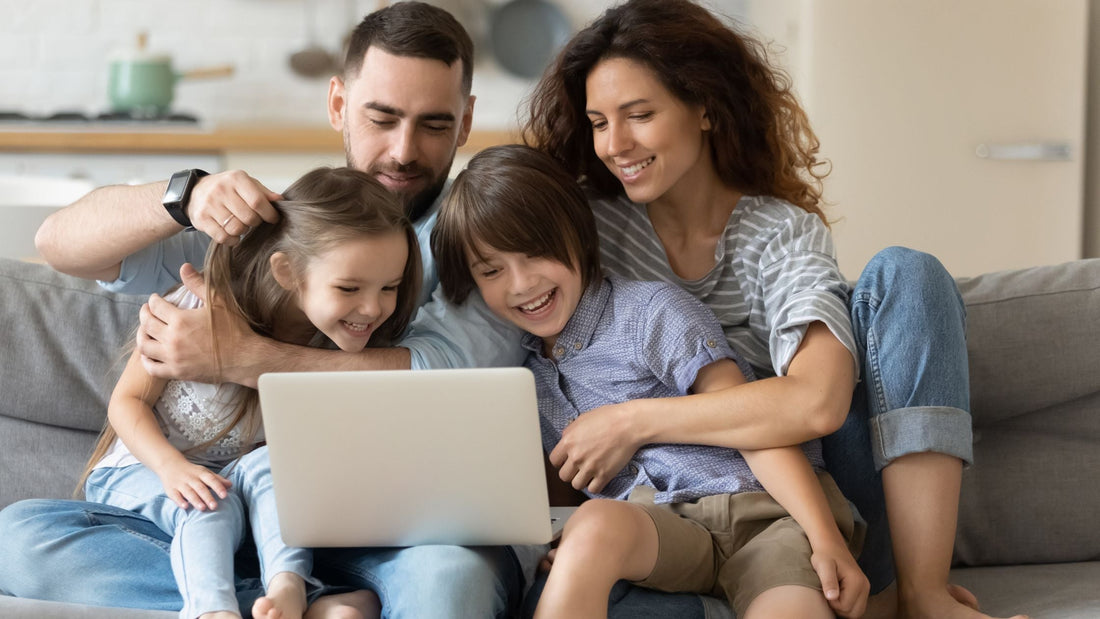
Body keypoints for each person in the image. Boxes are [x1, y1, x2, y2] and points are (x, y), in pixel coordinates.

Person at [3, 3, 528, 618]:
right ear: (337, 105)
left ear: (466, 121)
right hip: (230, 528)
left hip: (395, 539)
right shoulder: (265, 234)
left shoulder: (482, 246)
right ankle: (295, 604)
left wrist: (243, 357)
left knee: (449, 578)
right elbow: (59, 245)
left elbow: (442, 377)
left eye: (434, 124)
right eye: (381, 118)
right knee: (22, 540)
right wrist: (185, 194)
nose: (403, 150)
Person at [519, 2, 1027, 618]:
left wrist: (632, 420)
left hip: (808, 504)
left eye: (640, 115)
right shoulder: (583, 231)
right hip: (660, 523)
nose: (614, 144)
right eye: (599, 122)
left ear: (704, 107)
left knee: (908, 272)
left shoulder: (780, 235)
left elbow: (817, 402)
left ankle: (921, 594)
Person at [432, 144, 869, 619]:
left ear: (576, 234)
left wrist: (826, 540)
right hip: (665, 529)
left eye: (536, 253)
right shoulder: (529, 381)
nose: (520, 283)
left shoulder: (651, 313)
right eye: (492, 270)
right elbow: (572, 492)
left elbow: (753, 426)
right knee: (595, 524)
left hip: (765, 518)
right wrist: (572, 545)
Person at [81, 166, 416, 619]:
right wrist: (172, 469)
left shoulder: (338, 345)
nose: (373, 307)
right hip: (147, 471)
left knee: (270, 468)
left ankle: (287, 591)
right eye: (349, 288)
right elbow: (127, 402)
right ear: (287, 271)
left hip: (243, 502)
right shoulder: (200, 309)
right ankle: (215, 611)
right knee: (208, 502)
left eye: (389, 288)